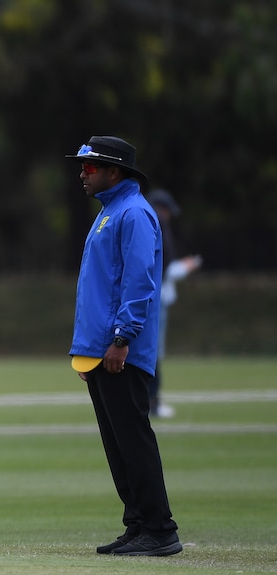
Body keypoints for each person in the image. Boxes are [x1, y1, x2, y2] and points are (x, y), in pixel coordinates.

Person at [67, 136, 182, 556]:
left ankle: (159, 528)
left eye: (90, 167)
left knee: (132, 439)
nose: (83, 173)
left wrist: (121, 339)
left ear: (114, 172)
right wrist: (87, 349)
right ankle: (137, 524)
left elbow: (138, 284)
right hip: (100, 349)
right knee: (117, 444)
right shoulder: (111, 212)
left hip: (120, 350)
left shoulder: (133, 213)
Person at [146, 188, 202, 418]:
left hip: (153, 298)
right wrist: (189, 267)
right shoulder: (157, 225)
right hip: (154, 299)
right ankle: (153, 403)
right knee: (153, 352)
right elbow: (165, 268)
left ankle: (151, 402)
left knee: (152, 352)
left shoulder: (149, 225)